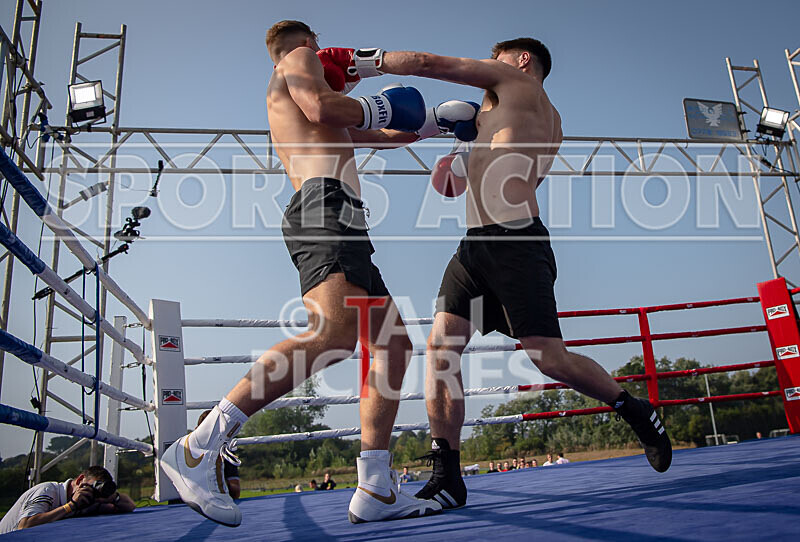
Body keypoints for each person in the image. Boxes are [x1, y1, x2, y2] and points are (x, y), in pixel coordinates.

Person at [159, 20, 482, 527]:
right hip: (325, 208)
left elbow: (367, 131)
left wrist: (433, 124)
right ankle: (200, 446)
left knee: (392, 344)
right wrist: (379, 94)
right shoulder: (297, 62)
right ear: (308, 45)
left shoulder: (292, 98)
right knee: (332, 334)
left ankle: (375, 485)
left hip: (342, 213)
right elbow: (324, 107)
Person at [365, 37, 672, 510]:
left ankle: (634, 408)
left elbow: (429, 63)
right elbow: (460, 185)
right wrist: (459, 153)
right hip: (475, 244)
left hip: (516, 242)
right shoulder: (534, 120)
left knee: (549, 359)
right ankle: (447, 474)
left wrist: (360, 60)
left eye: (496, 58)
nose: (488, 65)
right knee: (442, 348)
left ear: (521, 61)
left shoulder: (514, 83)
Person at [0, 466, 134, 534]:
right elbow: (24, 526)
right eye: (92, 486)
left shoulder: (90, 501)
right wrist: (70, 506)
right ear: (80, 480)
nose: (92, 493)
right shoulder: (48, 491)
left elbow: (130, 506)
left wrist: (111, 497)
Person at [197, 409, 241, 499]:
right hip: (216, 501)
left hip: (183, 503)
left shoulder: (181, 445)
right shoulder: (224, 448)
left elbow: (234, 488)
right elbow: (235, 490)